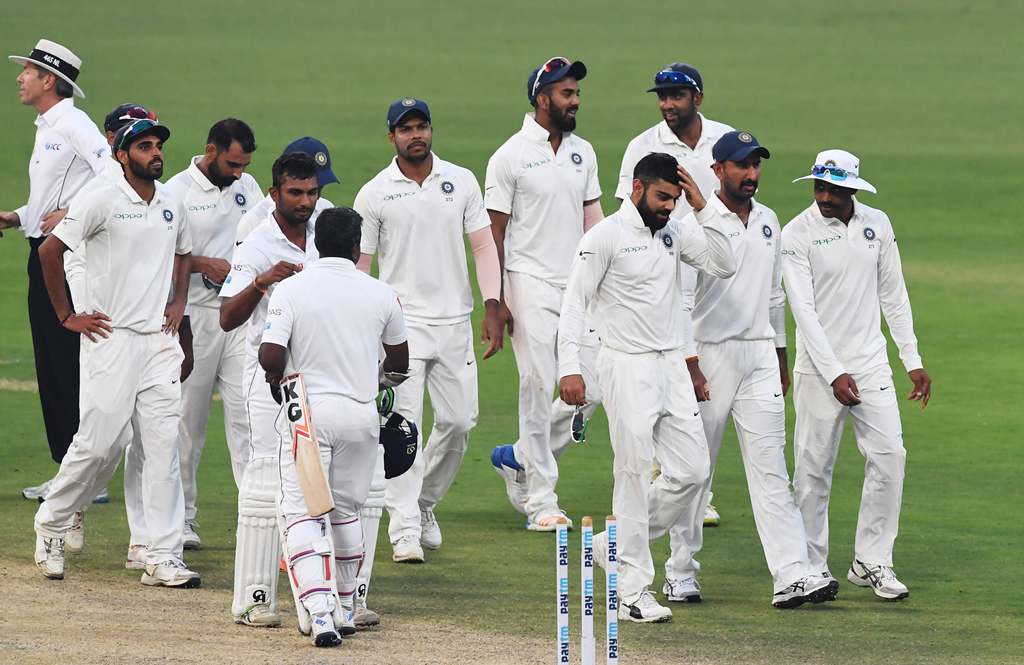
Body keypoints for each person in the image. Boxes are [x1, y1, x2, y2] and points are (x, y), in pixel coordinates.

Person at [558, 152, 735, 622]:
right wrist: (569, 368)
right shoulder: (605, 237)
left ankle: (610, 546)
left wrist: (703, 206)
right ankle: (633, 590)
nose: (668, 206)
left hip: (671, 364)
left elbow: (725, 263)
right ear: (636, 188)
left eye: (674, 198)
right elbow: (573, 304)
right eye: (662, 196)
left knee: (694, 472)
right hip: (624, 364)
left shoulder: (676, 228)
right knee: (633, 474)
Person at [672, 130, 836, 608]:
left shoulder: (768, 219)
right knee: (696, 470)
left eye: (756, 165)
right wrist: (690, 364)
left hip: (759, 356)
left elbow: (773, 296)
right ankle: (680, 570)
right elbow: (681, 302)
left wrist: (781, 357)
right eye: (741, 165)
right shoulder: (691, 223)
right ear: (718, 170)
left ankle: (791, 574)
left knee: (771, 471)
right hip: (707, 356)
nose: (752, 174)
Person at [32, 118, 198, 588]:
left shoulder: (171, 202)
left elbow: (184, 252)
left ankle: (162, 554)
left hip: (158, 342)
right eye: (144, 146)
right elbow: (50, 250)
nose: (155, 152)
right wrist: (67, 316)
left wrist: (179, 301)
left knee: (164, 448)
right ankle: (52, 522)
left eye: (158, 145)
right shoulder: (101, 197)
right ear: (123, 156)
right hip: (110, 337)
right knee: (100, 443)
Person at [354, 97, 502, 565]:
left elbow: (483, 247)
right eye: (406, 129)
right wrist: (365, 327)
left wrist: (493, 304)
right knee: (404, 428)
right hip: (401, 327)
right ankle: (403, 531)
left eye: (422, 127)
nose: (415, 135)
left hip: (455, 321)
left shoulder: (461, 181)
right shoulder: (375, 193)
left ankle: (422, 504)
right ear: (391, 137)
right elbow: (361, 266)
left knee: (460, 423)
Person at [782, 149, 932, 601]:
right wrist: (833, 372)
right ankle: (810, 567)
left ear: (852, 189)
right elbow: (802, 312)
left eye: (834, 189)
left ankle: (872, 560)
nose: (825, 196)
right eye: (819, 187)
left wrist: (913, 359)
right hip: (818, 371)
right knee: (812, 472)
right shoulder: (796, 233)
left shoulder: (877, 224)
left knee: (890, 456)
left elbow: (894, 294)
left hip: (870, 363)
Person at [260, 207, 409, 647]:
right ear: (356, 247)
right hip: (361, 416)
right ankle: (344, 607)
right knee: (346, 513)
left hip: (309, 414)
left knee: (303, 512)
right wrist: (371, 378)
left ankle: (321, 614)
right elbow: (398, 364)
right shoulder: (382, 293)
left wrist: (281, 378)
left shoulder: (290, 289)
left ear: (315, 243)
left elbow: (270, 355)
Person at [486, 56, 604, 531]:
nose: (575, 100)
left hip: (577, 281)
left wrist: (606, 278)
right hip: (527, 279)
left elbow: (593, 222)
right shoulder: (509, 156)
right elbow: (492, 234)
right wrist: (496, 301)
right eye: (566, 93)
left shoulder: (585, 153)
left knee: (591, 385)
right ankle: (541, 499)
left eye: (576, 93)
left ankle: (518, 457)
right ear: (541, 98)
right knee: (538, 384)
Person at [619, 62, 733, 529]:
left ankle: (692, 482)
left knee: (706, 378)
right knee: (673, 376)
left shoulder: (725, 141)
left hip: (710, 265)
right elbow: (628, 213)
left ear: (697, 99)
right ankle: (665, 476)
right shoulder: (641, 147)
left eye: (676, 96)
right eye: (662, 96)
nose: (667, 104)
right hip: (665, 271)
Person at [1, 40, 110, 502]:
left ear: (49, 79)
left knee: (62, 360)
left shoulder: (72, 123)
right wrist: (17, 216)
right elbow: (48, 202)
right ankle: (74, 470)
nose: (20, 78)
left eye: (27, 71)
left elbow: (116, 171)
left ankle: (78, 475)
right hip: (44, 248)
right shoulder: (50, 125)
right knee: (56, 359)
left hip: (64, 257)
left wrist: (70, 213)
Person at [220, 152, 321, 626]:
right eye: (295, 193)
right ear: (275, 193)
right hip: (266, 378)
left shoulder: (327, 234)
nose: (304, 202)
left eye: (311, 192)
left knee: (313, 481)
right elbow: (226, 318)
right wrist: (261, 281)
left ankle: (318, 593)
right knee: (264, 480)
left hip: (314, 375)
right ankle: (253, 598)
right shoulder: (257, 243)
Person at [164, 118, 262, 550]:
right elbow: (159, 250)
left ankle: (255, 516)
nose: (239, 172)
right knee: (188, 420)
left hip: (239, 317)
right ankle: (183, 517)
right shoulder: (176, 192)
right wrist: (204, 263)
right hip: (196, 319)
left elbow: (264, 234)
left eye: (244, 165)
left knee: (248, 417)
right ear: (211, 149)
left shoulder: (249, 187)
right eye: (233, 162)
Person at [235, 136, 337, 243]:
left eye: (314, 190)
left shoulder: (326, 209)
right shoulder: (253, 222)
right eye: (296, 192)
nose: (319, 190)